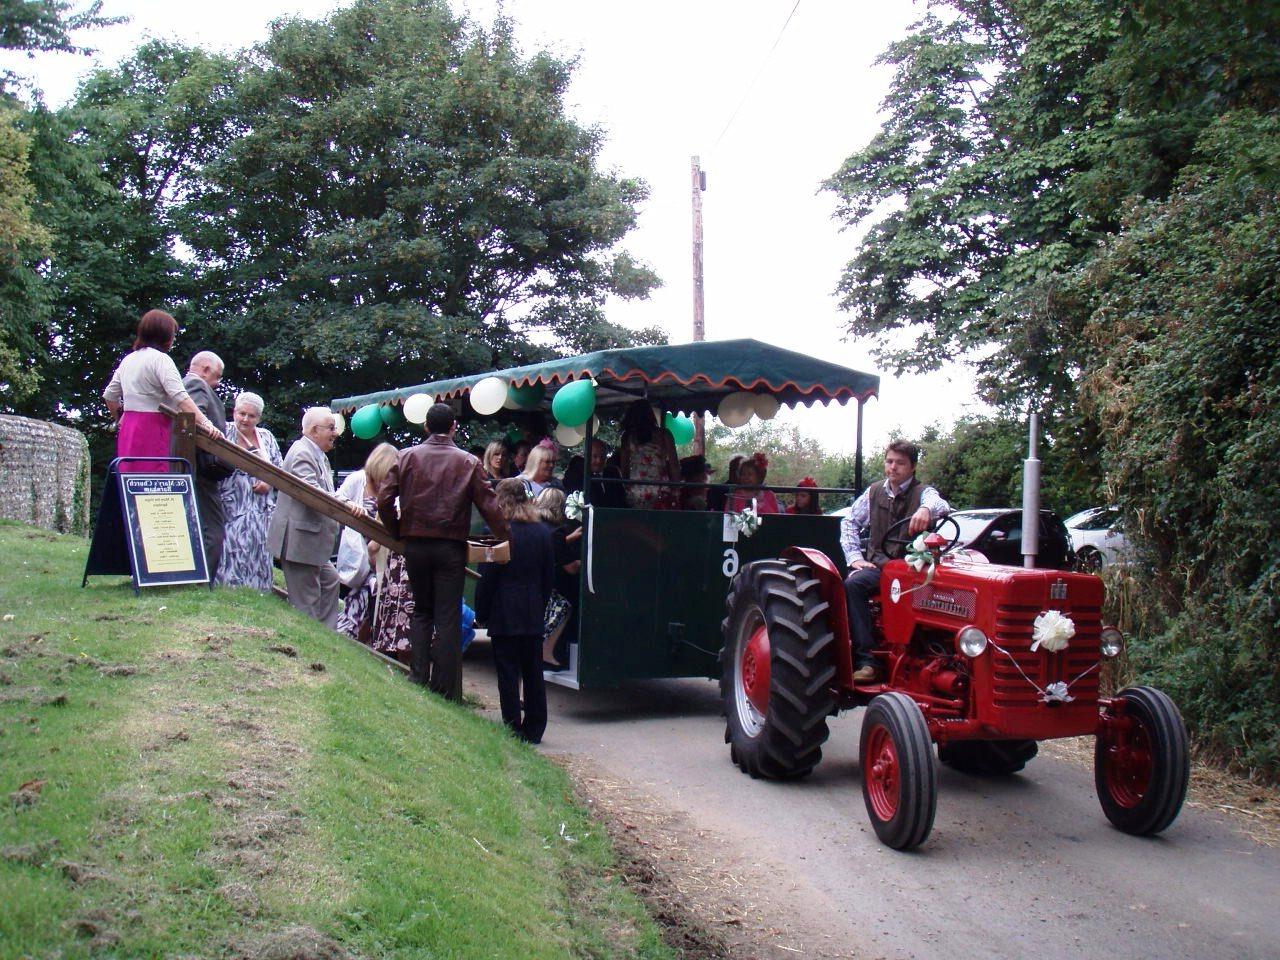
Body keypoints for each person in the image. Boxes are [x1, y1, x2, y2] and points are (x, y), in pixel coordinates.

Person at [377, 402, 509, 700]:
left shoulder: (406, 456)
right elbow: (490, 506)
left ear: (426, 426)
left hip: (416, 543)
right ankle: (447, 688)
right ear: (453, 428)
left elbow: (385, 499)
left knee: (422, 610)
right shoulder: (467, 462)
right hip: (450, 546)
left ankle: (418, 676)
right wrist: (506, 537)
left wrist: (397, 529)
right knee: (447, 616)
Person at [841, 440, 951, 683]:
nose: (893, 467)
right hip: (881, 566)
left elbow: (941, 506)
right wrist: (855, 558)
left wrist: (925, 510)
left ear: (912, 467)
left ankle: (932, 654)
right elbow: (849, 521)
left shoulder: (924, 493)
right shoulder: (874, 492)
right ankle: (867, 659)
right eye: (889, 461)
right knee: (853, 585)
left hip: (913, 568)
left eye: (900, 463)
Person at [267, 406, 364, 628]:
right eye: (331, 428)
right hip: (300, 543)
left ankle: (326, 635)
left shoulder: (316, 453)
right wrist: (346, 503)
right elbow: (312, 492)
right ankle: (308, 644)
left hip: (310, 543)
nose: (335, 433)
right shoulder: (302, 452)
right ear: (313, 430)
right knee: (305, 602)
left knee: (330, 581)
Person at [474, 479, 554, 743]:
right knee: (533, 672)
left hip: (504, 610)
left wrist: (481, 611)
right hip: (532, 609)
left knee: (507, 672)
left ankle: (512, 724)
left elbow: (488, 577)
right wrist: (541, 606)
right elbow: (547, 577)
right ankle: (536, 728)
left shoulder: (498, 531)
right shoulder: (543, 532)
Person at [102, 309, 217, 471]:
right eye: (173, 335)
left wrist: (119, 418)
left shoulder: (128, 360)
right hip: (154, 428)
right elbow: (180, 397)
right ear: (164, 335)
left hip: (129, 428)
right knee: (154, 482)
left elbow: (109, 396)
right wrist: (206, 423)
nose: (173, 340)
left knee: (130, 482)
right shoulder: (161, 360)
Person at [217, 392, 284, 590]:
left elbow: (279, 469)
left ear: (259, 418)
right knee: (230, 548)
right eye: (241, 413)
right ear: (234, 412)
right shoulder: (224, 431)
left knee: (259, 549)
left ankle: (258, 592)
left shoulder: (267, 437)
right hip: (230, 506)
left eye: (251, 416)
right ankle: (227, 590)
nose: (245, 419)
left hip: (261, 509)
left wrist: (269, 483)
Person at [335, 443, 399, 644]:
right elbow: (337, 499)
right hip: (357, 551)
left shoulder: (393, 489)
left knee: (368, 595)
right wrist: (350, 505)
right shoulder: (357, 480)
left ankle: (351, 635)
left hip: (377, 554)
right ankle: (347, 634)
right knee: (361, 595)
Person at [181, 351, 234, 575]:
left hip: (196, 469)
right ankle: (202, 580)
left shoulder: (185, 385)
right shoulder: (196, 385)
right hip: (200, 470)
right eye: (217, 376)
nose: (218, 382)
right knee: (213, 530)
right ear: (205, 370)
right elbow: (192, 421)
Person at [534, 487, 581, 667]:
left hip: (532, 580)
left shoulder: (535, 525)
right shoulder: (556, 531)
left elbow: (551, 545)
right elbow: (570, 568)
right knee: (566, 603)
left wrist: (570, 538)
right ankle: (547, 650)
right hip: (546, 586)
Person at [618, 399, 679, 509]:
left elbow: (624, 468)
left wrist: (628, 486)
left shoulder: (627, 437)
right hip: (660, 487)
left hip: (636, 489)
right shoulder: (664, 434)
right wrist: (676, 489)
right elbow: (674, 465)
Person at [563, 439, 625, 508]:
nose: (599, 461)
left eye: (602, 457)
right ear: (586, 456)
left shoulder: (613, 473)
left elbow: (622, 500)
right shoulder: (575, 474)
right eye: (595, 456)